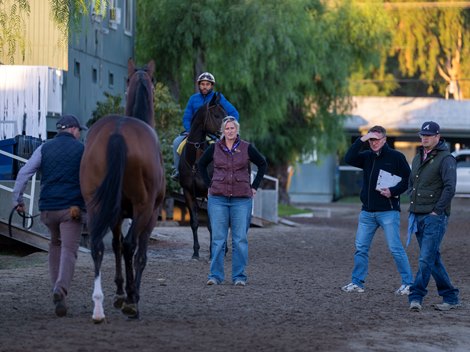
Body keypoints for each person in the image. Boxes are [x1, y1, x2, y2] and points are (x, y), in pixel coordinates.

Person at [12, 114, 87, 317]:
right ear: (72, 129)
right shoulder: (82, 150)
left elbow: (24, 173)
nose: (80, 134)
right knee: (69, 250)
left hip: (47, 209)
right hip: (71, 209)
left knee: (55, 244)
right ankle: (60, 289)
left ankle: (57, 292)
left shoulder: (44, 148)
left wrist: (18, 200)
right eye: (79, 130)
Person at [341, 125, 413, 295]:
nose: (373, 143)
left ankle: (408, 283)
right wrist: (361, 140)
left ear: (384, 139)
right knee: (361, 248)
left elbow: (408, 180)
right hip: (367, 212)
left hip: (388, 212)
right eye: (371, 140)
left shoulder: (396, 157)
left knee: (395, 248)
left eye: (376, 139)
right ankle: (357, 282)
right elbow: (349, 158)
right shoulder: (366, 157)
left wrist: (392, 191)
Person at [198, 116, 267, 286]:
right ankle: (215, 276)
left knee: (239, 240)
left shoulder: (246, 148)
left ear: (237, 130)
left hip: (241, 199)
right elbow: (201, 164)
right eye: (227, 128)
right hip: (218, 199)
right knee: (218, 239)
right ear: (223, 131)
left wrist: (254, 186)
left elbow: (263, 164)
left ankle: (239, 277)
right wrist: (209, 185)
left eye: (232, 128)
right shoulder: (214, 148)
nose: (230, 131)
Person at [408, 121, 460, 312]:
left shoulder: (446, 159)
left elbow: (450, 188)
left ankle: (416, 296)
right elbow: (412, 181)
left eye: (429, 135)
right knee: (432, 258)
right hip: (418, 215)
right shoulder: (417, 158)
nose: (425, 138)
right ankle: (450, 296)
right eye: (423, 135)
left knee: (425, 259)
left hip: (434, 218)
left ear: (438, 137)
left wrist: (437, 210)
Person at [171, 72, 239, 180]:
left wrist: (228, 128)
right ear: (199, 85)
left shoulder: (219, 98)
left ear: (212, 86)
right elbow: (187, 117)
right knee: (176, 143)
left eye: (208, 84)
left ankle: (227, 173)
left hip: (214, 134)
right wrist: (190, 130)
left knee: (226, 148)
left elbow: (234, 113)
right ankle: (178, 171)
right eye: (202, 84)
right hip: (194, 134)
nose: (205, 87)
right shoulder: (193, 99)